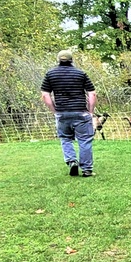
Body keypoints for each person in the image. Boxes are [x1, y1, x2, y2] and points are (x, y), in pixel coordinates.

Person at [41, 49, 97, 177]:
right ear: (72, 60)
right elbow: (92, 93)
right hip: (81, 112)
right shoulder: (81, 74)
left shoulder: (50, 74)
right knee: (85, 140)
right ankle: (87, 170)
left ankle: (72, 161)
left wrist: (54, 110)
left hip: (62, 113)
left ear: (58, 60)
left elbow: (45, 95)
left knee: (65, 138)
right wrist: (91, 111)